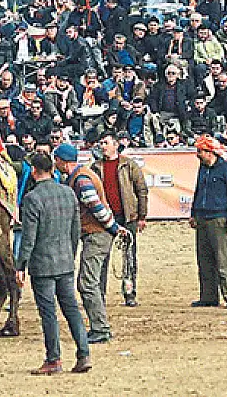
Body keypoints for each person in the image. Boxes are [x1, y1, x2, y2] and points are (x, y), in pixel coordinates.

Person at [15, 151, 90, 376]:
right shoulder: (68, 193)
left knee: (48, 313)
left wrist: (20, 266)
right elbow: (75, 230)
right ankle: (84, 353)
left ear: (35, 171)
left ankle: (53, 359)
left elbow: (29, 237)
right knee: (72, 310)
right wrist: (71, 253)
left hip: (43, 264)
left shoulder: (32, 198)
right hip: (65, 261)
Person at [53, 142, 128, 344]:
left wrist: (113, 227)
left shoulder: (81, 180)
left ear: (62, 161)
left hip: (96, 234)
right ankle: (99, 326)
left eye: (56, 160)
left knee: (87, 283)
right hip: (97, 233)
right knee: (92, 282)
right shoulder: (82, 175)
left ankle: (100, 328)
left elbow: (95, 206)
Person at [89, 133, 147, 306]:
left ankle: (129, 293)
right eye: (101, 143)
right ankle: (99, 294)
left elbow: (141, 190)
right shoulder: (95, 167)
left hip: (127, 215)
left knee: (128, 257)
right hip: (104, 217)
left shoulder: (129, 165)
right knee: (101, 256)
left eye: (106, 143)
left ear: (115, 145)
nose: (102, 146)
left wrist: (142, 216)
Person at [189, 135, 227, 309]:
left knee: (223, 259)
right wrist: (193, 213)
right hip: (202, 219)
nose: (198, 154)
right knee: (204, 260)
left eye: (200, 151)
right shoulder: (202, 169)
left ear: (209, 152)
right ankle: (208, 297)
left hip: (219, 219)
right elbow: (198, 192)